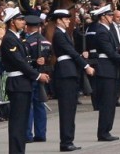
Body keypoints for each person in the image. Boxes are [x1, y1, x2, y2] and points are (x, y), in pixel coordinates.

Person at [0, 7, 51, 153]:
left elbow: (25, 61)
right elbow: (18, 62)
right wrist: (37, 75)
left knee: (22, 122)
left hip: (23, 83)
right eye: (20, 20)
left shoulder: (17, 37)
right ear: (11, 22)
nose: (23, 22)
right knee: (17, 122)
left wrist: (36, 63)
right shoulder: (9, 39)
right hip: (17, 83)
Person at [88, 4, 120, 142]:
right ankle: (103, 132)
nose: (112, 18)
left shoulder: (107, 30)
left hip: (111, 69)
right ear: (103, 17)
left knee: (110, 102)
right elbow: (110, 52)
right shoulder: (102, 31)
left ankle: (106, 130)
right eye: (109, 15)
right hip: (106, 69)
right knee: (107, 103)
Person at [49, 9, 93, 152]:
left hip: (70, 71)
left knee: (71, 108)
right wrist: (85, 65)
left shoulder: (64, 34)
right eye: (66, 19)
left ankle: (69, 139)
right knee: (67, 109)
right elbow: (71, 52)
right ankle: (66, 141)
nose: (69, 21)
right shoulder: (59, 35)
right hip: (65, 73)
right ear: (59, 20)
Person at [23, 15, 49, 144]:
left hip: (31, 75)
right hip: (42, 75)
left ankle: (28, 134)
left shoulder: (27, 42)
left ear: (27, 27)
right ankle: (41, 133)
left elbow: (25, 61)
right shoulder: (46, 41)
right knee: (40, 106)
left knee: (29, 106)